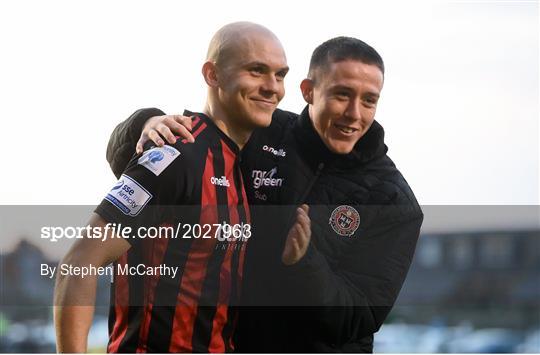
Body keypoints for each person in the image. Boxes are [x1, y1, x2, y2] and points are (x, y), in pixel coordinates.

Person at [106, 36, 423, 352]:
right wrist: (146, 123)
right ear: (308, 91)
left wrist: (302, 263)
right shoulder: (257, 130)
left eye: (369, 100)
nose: (355, 113)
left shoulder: (394, 200)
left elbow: (359, 317)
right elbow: (138, 159)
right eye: (342, 95)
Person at [53, 22, 303, 353]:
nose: (273, 87)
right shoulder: (177, 153)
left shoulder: (245, 164)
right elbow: (78, 264)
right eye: (256, 71)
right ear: (213, 75)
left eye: (280, 75)